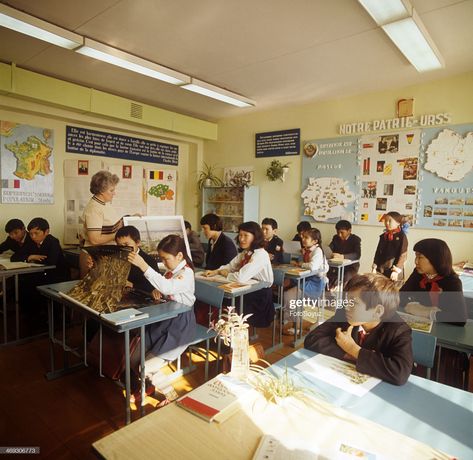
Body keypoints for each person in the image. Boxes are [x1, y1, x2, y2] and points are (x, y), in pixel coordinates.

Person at [304, 273, 413, 386]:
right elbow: (312, 338)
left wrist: (353, 349)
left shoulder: (398, 330)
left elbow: (400, 373)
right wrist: (349, 355)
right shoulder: (345, 314)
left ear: (377, 312)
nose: (346, 306)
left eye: (354, 303)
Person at [127, 234, 196, 398]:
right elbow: (166, 287)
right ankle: (147, 387)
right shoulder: (171, 272)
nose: (163, 262)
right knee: (132, 358)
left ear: (180, 255)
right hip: (164, 320)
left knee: (145, 366)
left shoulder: (187, 274)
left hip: (180, 325)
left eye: (166, 259)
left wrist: (144, 266)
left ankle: (170, 394)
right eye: (162, 259)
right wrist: (157, 290)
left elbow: (168, 287)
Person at [204, 221, 274, 328]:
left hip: (259, 295)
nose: (241, 239)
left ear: (255, 237)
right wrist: (216, 271)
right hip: (248, 289)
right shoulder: (247, 252)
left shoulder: (260, 254)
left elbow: (240, 278)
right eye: (240, 235)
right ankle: (221, 328)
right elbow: (231, 265)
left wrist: (225, 274)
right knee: (220, 297)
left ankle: (230, 331)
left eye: (246, 235)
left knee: (225, 299)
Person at [400, 239, 467, 326]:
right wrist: (412, 305)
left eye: (420, 257)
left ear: (435, 259)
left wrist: (427, 312)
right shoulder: (418, 274)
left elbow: (460, 318)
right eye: (416, 257)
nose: (416, 262)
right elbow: (400, 296)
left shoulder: (452, 282)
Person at [283, 228, 328, 335]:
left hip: (315, 283)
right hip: (306, 279)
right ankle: (290, 319)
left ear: (315, 241)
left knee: (289, 296)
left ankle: (296, 326)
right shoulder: (308, 250)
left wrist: (300, 264)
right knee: (284, 286)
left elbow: (312, 267)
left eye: (306, 237)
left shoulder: (317, 251)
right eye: (302, 237)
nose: (302, 239)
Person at [80, 170, 123, 277]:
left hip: (106, 255)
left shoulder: (105, 203)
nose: (115, 193)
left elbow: (111, 225)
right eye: (111, 190)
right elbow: (94, 239)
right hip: (94, 258)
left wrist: (129, 218)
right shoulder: (94, 208)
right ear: (101, 191)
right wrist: (117, 235)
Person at [115, 226, 160, 295]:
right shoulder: (117, 258)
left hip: (141, 296)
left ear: (138, 242)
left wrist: (132, 285)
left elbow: (155, 285)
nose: (123, 248)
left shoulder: (149, 260)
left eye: (126, 244)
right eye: (119, 245)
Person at [372, 211, 408, 282]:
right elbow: (378, 252)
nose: (387, 223)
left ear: (398, 223)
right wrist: (375, 265)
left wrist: (397, 270)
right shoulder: (383, 236)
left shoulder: (402, 236)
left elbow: (403, 255)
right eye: (385, 221)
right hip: (381, 269)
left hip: (394, 270)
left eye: (390, 221)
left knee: (393, 291)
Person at [327, 220, 361, 289]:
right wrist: (330, 253)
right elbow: (330, 248)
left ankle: (342, 296)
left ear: (349, 231)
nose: (339, 235)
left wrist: (342, 256)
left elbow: (357, 254)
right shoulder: (336, 238)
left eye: (342, 232)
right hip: (336, 266)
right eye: (338, 232)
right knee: (327, 276)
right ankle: (330, 295)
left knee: (345, 279)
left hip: (350, 268)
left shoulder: (355, 239)